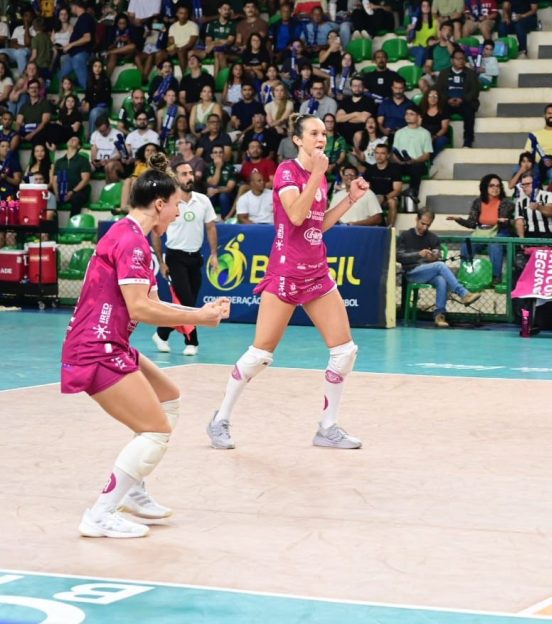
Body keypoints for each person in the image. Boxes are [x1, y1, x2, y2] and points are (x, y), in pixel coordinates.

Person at [61, 151, 228, 538]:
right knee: (155, 429)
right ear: (159, 204)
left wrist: (192, 314)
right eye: (175, 205)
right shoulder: (133, 243)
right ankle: (100, 513)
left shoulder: (131, 236)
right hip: (96, 347)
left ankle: (133, 487)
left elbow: (148, 303)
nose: (177, 211)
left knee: (169, 396)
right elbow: (140, 307)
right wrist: (200, 317)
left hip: (111, 342)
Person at [207, 114, 372, 450]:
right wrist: (316, 174)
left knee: (344, 352)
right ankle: (219, 419)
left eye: (324, 133)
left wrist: (350, 201)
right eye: (313, 133)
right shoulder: (288, 172)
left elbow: (316, 225)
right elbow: (295, 215)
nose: (321, 138)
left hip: (317, 272)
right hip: (286, 272)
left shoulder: (319, 177)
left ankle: (327, 427)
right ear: (298, 140)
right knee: (260, 355)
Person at [150, 160, 218, 356]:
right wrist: (161, 263)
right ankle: (192, 342)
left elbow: (211, 227)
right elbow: (155, 233)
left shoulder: (203, 200)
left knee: (186, 304)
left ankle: (162, 334)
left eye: (191, 173)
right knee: (187, 302)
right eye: (184, 174)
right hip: (175, 258)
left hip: (195, 258)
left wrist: (214, 255)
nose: (190, 177)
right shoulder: (168, 201)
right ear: (175, 177)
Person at [399, 208, 482, 327]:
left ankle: (439, 315)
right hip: (411, 272)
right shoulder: (405, 235)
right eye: (422, 224)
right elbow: (399, 256)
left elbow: (438, 255)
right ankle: (463, 293)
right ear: (416, 219)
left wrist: (434, 256)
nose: (425, 228)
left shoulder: (433, 237)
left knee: (441, 279)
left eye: (428, 225)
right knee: (440, 266)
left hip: (429, 270)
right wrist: (418, 254)